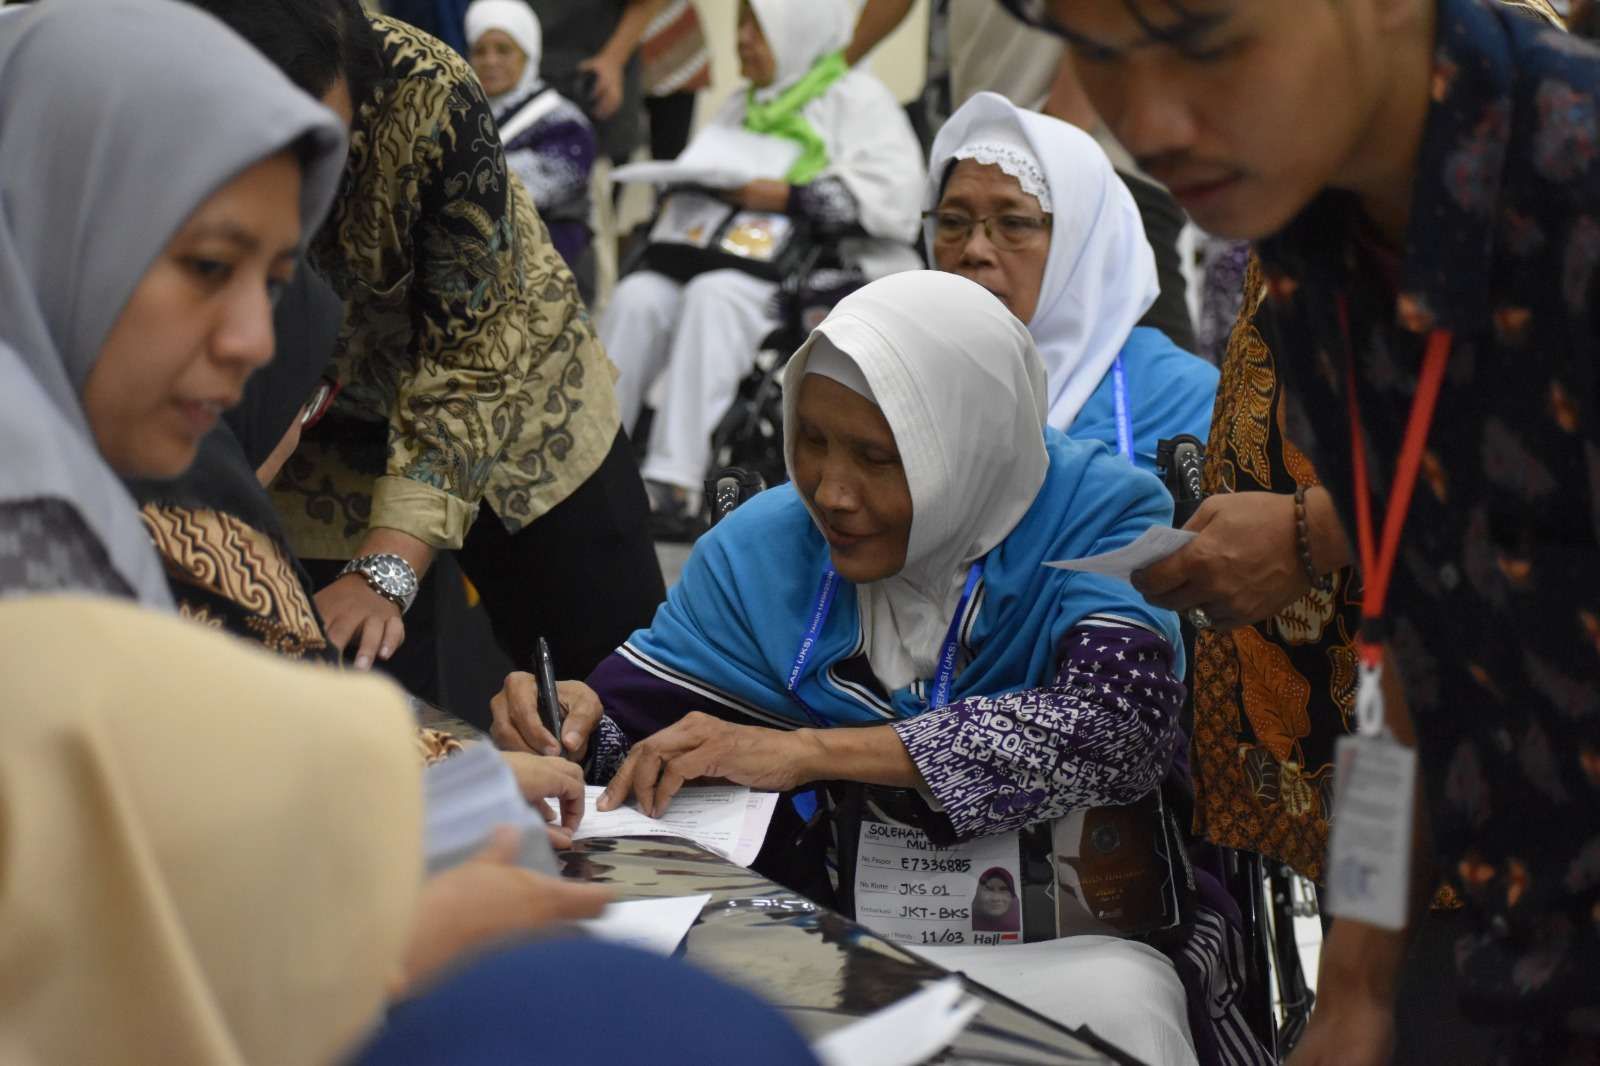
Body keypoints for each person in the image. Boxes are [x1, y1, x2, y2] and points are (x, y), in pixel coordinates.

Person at [1002, 1, 1600, 1062]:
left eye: (1202, 40)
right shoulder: (1317, 228)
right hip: (1509, 937)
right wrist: (1355, 981)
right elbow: (1410, 642)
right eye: (1097, 56)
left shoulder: (1567, 202)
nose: (1147, 122)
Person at [498, 272, 1277, 1066]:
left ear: (968, 444)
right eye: (812, 440)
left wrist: (809, 750)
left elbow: (1115, 731)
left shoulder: (1097, 517)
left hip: (1075, 936)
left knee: (1124, 1012)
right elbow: (646, 733)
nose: (832, 493)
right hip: (823, 931)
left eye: (878, 455)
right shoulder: (766, 545)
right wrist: (575, 719)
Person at [190, 0, 666, 683]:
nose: (296, 180)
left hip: (515, 404)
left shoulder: (428, 92)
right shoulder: (136, 106)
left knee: (616, 682)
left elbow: (472, 356)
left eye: (318, 143)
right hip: (310, 449)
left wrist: (387, 567)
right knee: (352, 685)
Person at [600, 0, 924, 519]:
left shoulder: (857, 98)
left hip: (826, 263)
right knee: (640, 296)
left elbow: (899, 204)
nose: (744, 40)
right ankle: (595, 461)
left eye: (759, 28)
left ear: (797, 31)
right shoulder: (744, 103)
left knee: (718, 296)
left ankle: (673, 478)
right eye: (741, 26)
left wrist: (782, 196)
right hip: (732, 256)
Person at [926, 92, 1217, 473]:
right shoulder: (899, 374)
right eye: (951, 222)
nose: (974, 249)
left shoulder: (1178, 395)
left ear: (1080, 246)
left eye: (1013, 224)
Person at [464, 0, 597, 286]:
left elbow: (528, 190)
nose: (490, 61)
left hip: (547, 263)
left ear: (529, 54)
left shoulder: (565, 123)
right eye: (479, 51)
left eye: (503, 50)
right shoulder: (460, 114)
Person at [971, 868, 1022, 933]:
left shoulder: (1024, 922)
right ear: (978, 894)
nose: (995, 898)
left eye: (1003, 889)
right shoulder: (966, 923)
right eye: (989, 889)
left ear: (1012, 895)